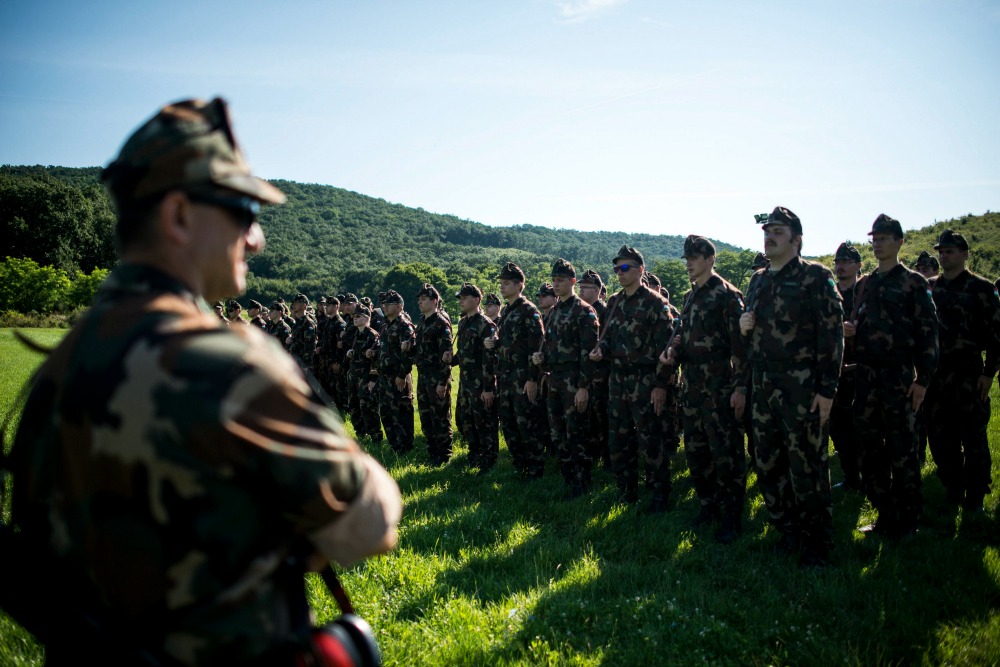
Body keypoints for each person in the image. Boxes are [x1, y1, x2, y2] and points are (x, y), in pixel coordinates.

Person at [5, 98, 401, 665]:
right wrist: (360, 468)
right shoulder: (226, 364)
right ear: (179, 215)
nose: (256, 237)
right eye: (242, 210)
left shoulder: (60, 364)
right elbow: (365, 529)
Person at [739, 207, 843, 567]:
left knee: (807, 466)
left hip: (802, 388)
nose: (769, 237)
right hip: (764, 385)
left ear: (797, 239)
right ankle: (788, 531)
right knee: (768, 463)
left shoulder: (816, 277)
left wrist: (827, 391)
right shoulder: (758, 280)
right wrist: (744, 325)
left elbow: (832, 338)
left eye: (778, 232)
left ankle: (817, 542)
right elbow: (750, 334)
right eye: (767, 231)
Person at [850, 214, 938, 541]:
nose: (878, 242)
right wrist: (851, 332)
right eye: (874, 237)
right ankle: (885, 515)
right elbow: (860, 325)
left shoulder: (915, 283)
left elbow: (929, 334)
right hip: (867, 379)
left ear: (900, 241)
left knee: (903, 452)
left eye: (885, 237)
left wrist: (923, 380)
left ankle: (908, 520)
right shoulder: (865, 284)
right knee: (871, 453)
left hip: (900, 378)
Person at [664, 235, 748, 542]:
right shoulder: (691, 296)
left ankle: (732, 516)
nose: (688, 263)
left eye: (694, 257)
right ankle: (707, 505)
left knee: (725, 452)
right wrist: (673, 350)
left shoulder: (727, 295)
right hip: (693, 383)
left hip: (719, 384)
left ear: (710, 259)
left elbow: (740, 349)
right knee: (696, 451)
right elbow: (682, 334)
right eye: (686, 258)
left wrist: (740, 388)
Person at [589, 245, 674, 511]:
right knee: (619, 438)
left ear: (640, 269)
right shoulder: (613, 302)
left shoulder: (655, 303)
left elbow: (667, 349)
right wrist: (599, 350)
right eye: (616, 268)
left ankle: (659, 493)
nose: (619, 273)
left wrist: (661, 385)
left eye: (624, 268)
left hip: (646, 379)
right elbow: (608, 338)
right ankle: (626, 491)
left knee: (651, 439)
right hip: (618, 379)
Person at [924, 230, 1000, 514]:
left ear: (965, 254)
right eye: (942, 251)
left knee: (974, 438)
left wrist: (989, 373)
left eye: (951, 251)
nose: (944, 255)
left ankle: (976, 495)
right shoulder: (930, 287)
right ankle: (953, 488)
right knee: (940, 439)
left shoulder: (981, 287)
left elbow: (997, 334)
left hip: (969, 374)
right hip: (936, 375)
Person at [532, 259, 599, 498]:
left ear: (572, 281)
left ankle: (582, 482)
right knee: (558, 432)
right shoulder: (555, 312)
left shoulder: (584, 311)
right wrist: (543, 360)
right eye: (554, 280)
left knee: (577, 432)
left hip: (574, 378)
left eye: (560, 280)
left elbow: (588, 354)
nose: (556, 284)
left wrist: (583, 387)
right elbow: (551, 345)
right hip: (554, 379)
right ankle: (567, 478)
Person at [486, 262, 547, 479]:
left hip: (523, 378)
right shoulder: (508, 311)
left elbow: (537, 347)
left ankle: (535, 469)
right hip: (506, 378)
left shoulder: (529, 311)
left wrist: (532, 379)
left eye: (507, 283)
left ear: (519, 285)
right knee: (510, 424)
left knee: (527, 425)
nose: (502, 287)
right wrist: (495, 343)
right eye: (501, 283)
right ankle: (520, 465)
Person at [451, 282, 500, 472]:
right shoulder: (463, 322)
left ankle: (489, 460)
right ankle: (474, 455)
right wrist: (451, 359)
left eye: (465, 298)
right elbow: (464, 353)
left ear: (476, 300)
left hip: (481, 383)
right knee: (467, 421)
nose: (461, 301)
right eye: (460, 298)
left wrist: (488, 388)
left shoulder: (486, 324)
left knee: (485, 422)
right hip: (466, 382)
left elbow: (490, 359)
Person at [829, 242, 864, 491]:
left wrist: (857, 331)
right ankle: (852, 477)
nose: (840, 267)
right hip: (836, 373)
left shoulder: (867, 292)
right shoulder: (830, 295)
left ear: (858, 265)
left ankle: (871, 478)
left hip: (862, 372)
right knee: (839, 430)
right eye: (837, 262)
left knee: (864, 430)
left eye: (846, 262)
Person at [411, 283, 455, 466]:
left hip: (437, 378)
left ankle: (444, 456)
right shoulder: (422, 321)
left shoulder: (441, 323)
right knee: (426, 417)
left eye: (424, 299)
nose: (420, 303)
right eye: (419, 300)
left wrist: (442, 382)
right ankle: (432, 453)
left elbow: (447, 356)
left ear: (434, 301)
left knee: (440, 417)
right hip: (423, 377)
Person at [578, 269, 611, 469]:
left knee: (602, 418)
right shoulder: (580, 310)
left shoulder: (604, 310)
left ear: (598, 290)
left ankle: (607, 459)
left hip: (601, 374)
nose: (581, 291)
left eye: (586, 287)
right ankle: (593, 454)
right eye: (580, 287)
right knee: (587, 418)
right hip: (584, 374)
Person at [376, 290, 415, 454]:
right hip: (384, 376)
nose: (384, 306)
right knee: (386, 411)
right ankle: (394, 445)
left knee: (401, 411)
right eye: (383, 304)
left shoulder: (404, 326)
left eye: (388, 304)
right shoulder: (385, 324)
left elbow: (408, 354)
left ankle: (404, 446)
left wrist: (401, 375)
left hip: (398, 376)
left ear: (399, 306)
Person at [348, 302, 384, 443]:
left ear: (366, 318)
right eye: (353, 317)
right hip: (354, 376)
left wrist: (372, 379)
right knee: (354, 405)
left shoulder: (372, 335)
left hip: (366, 377)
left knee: (368, 407)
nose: (354, 319)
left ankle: (375, 436)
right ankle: (361, 434)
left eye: (358, 316)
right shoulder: (357, 333)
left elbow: (376, 359)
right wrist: (351, 353)